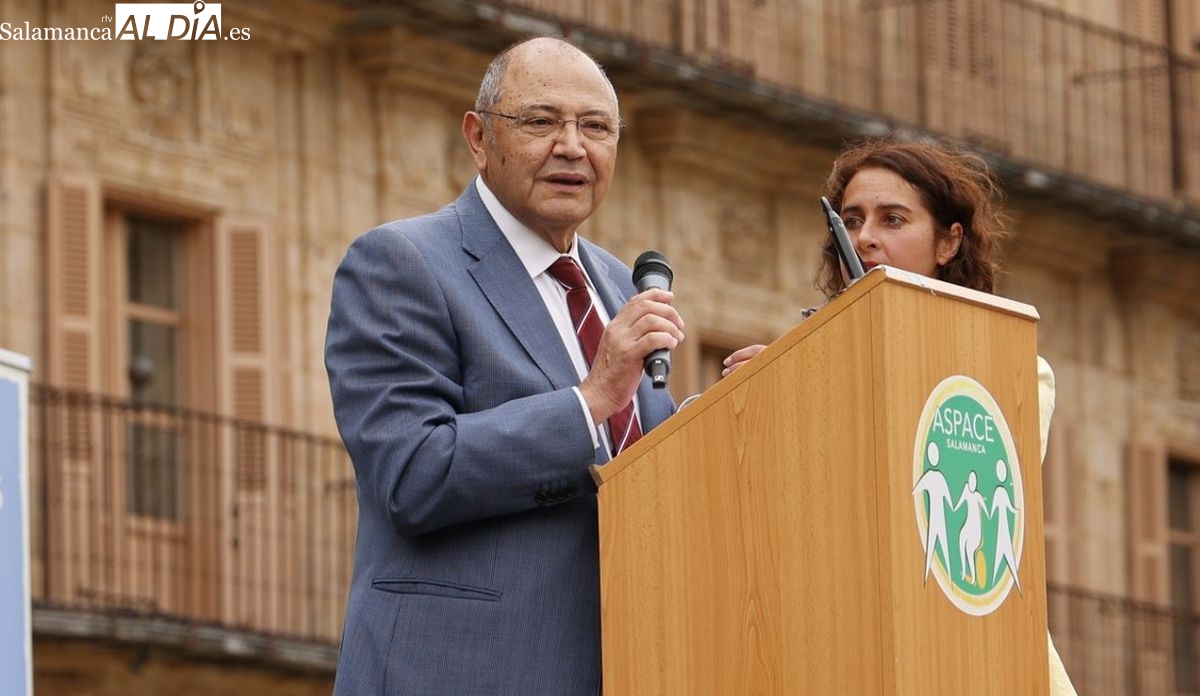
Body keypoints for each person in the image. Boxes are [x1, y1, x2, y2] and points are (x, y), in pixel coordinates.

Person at [324, 37, 684, 695]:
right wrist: (591, 398)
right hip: (461, 672)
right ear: (479, 137)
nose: (573, 146)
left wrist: (740, 408)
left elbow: (642, 476)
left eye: (596, 127)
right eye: (541, 121)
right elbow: (412, 474)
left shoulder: (617, 285)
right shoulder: (400, 262)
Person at [723, 136, 1078, 695]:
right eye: (853, 220)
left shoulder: (1013, 370)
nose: (867, 238)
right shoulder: (804, 369)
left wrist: (809, 390)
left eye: (893, 219)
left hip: (977, 663)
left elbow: (913, 477)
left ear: (948, 241)